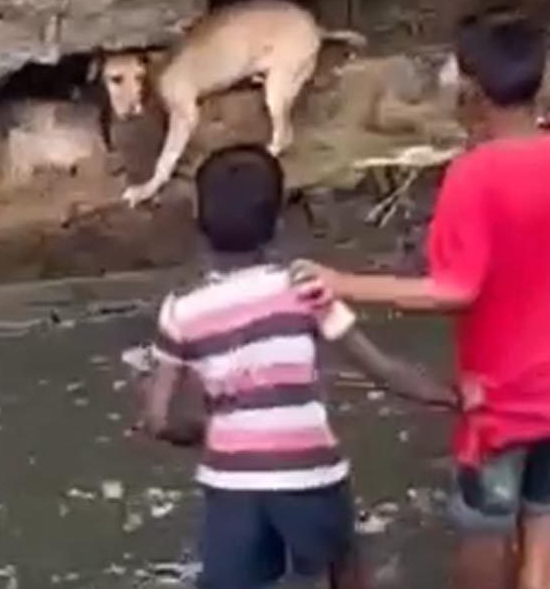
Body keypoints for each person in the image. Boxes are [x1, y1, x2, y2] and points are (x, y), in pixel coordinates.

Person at [292, 16, 550, 589]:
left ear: (472, 91)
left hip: (501, 400)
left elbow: (454, 289)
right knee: (542, 519)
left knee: (485, 528)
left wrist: (342, 282)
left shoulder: (472, 175)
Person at [140, 144, 459, 589]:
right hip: (311, 476)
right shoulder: (303, 290)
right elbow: (382, 370)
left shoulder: (181, 312)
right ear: (276, 224)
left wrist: (204, 432)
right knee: (344, 568)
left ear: (198, 222)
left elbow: (157, 419)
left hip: (232, 485)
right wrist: (452, 395)